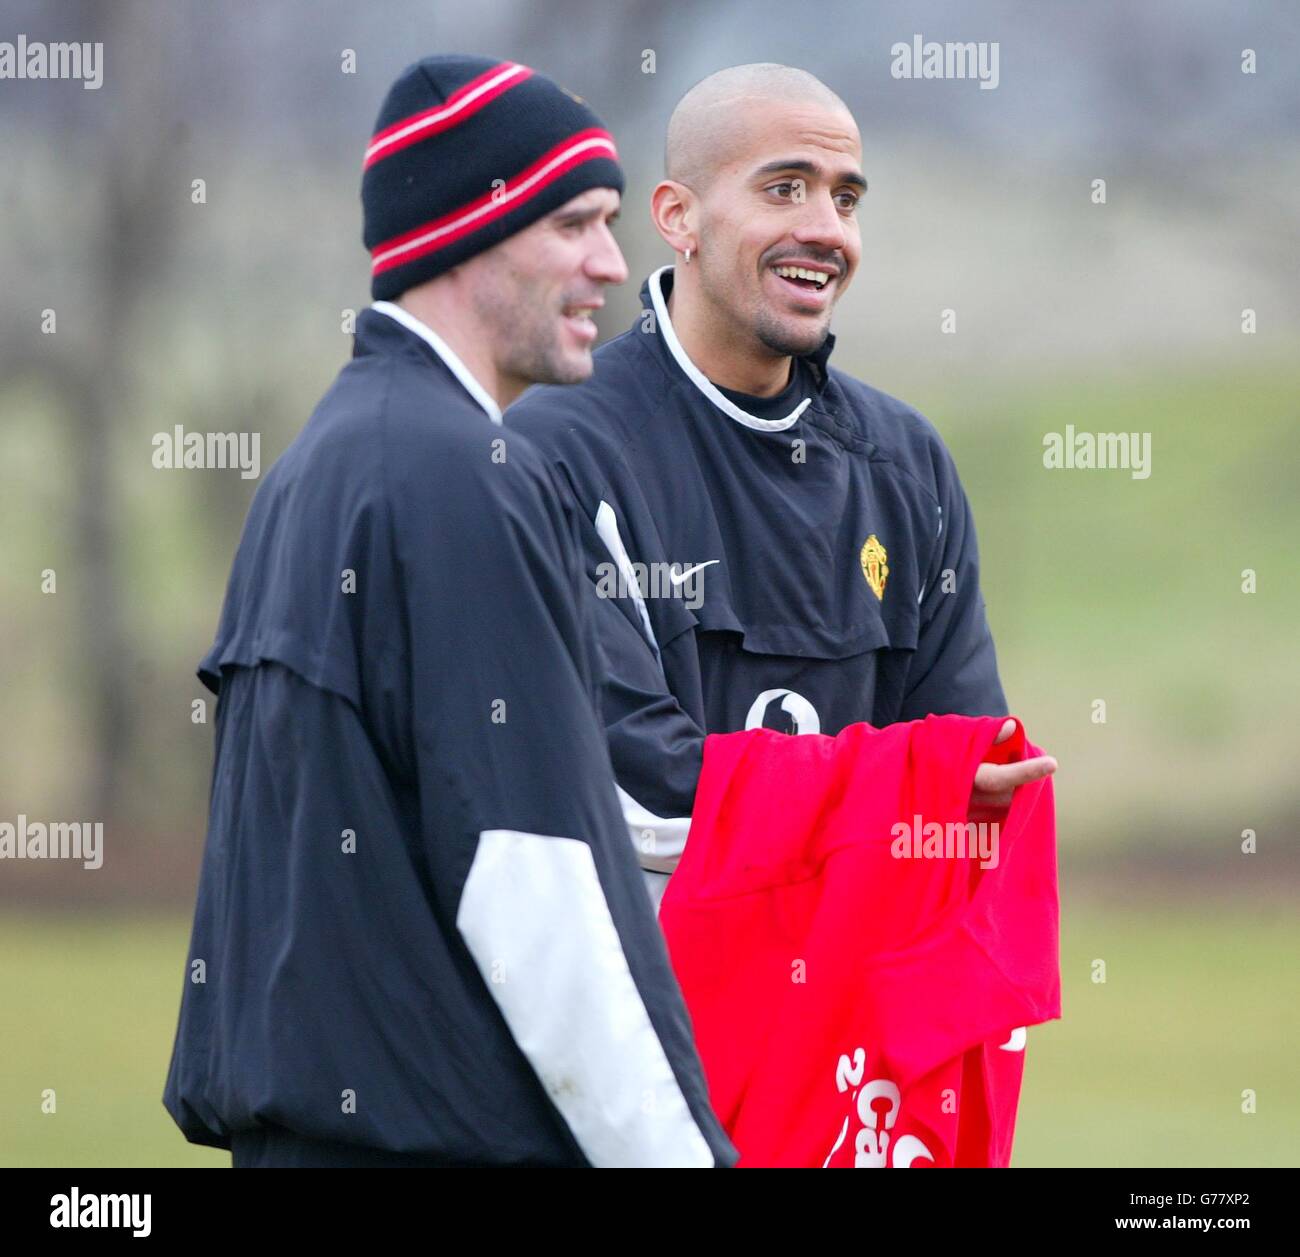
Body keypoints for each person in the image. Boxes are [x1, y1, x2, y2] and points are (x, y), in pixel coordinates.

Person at [162, 55, 737, 1169]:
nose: (611, 266)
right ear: (467, 230)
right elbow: (536, 884)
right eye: (575, 223)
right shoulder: (463, 478)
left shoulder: (319, 467)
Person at [507, 64, 1056, 910]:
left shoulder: (908, 466)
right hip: (646, 1019)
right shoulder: (561, 451)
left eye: (846, 198)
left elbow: (968, 786)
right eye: (785, 188)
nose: (826, 229)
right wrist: (895, 795)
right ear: (676, 216)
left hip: (850, 1020)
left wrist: (918, 796)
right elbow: (635, 796)